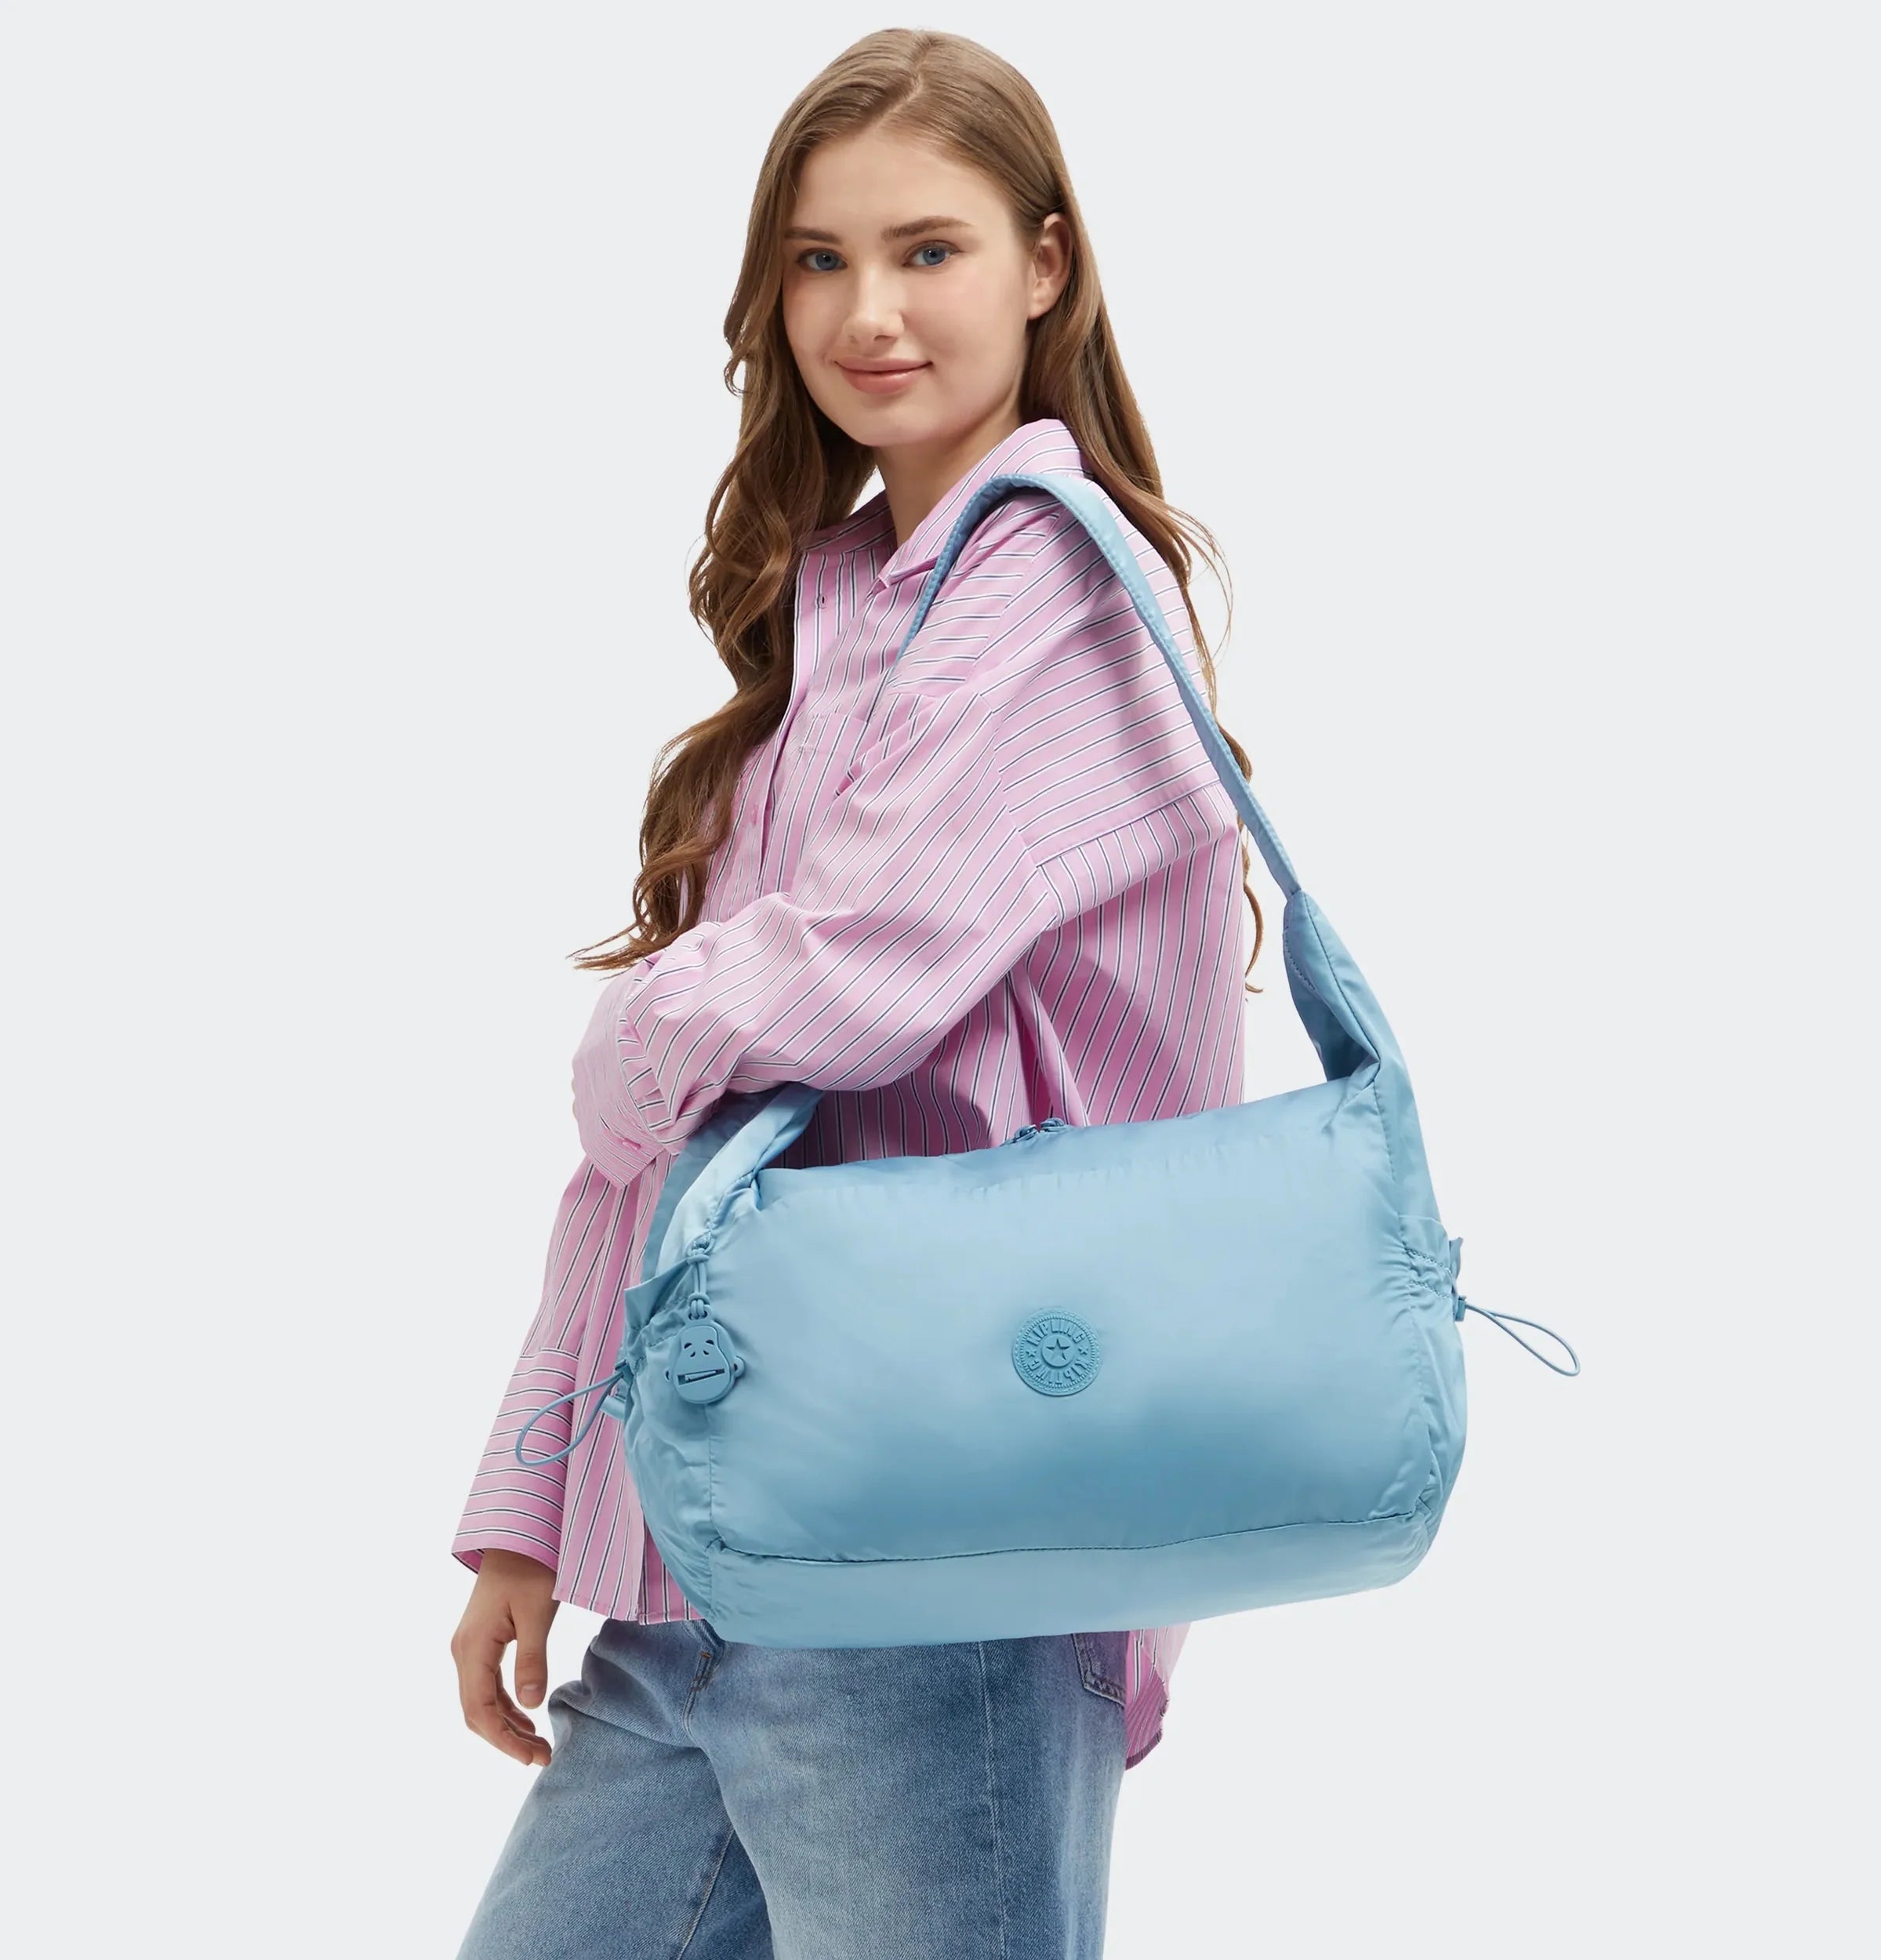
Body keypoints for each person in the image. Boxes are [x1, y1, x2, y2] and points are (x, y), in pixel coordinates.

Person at [448, 27, 1265, 1959]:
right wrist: (528, 1503)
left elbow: (846, 977)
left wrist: (628, 1030)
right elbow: (669, 1155)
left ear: (1043, 266)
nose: (867, 310)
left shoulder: (1054, 587)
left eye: (927, 250)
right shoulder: (834, 608)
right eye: (818, 259)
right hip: (702, 1552)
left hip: (928, 1550)